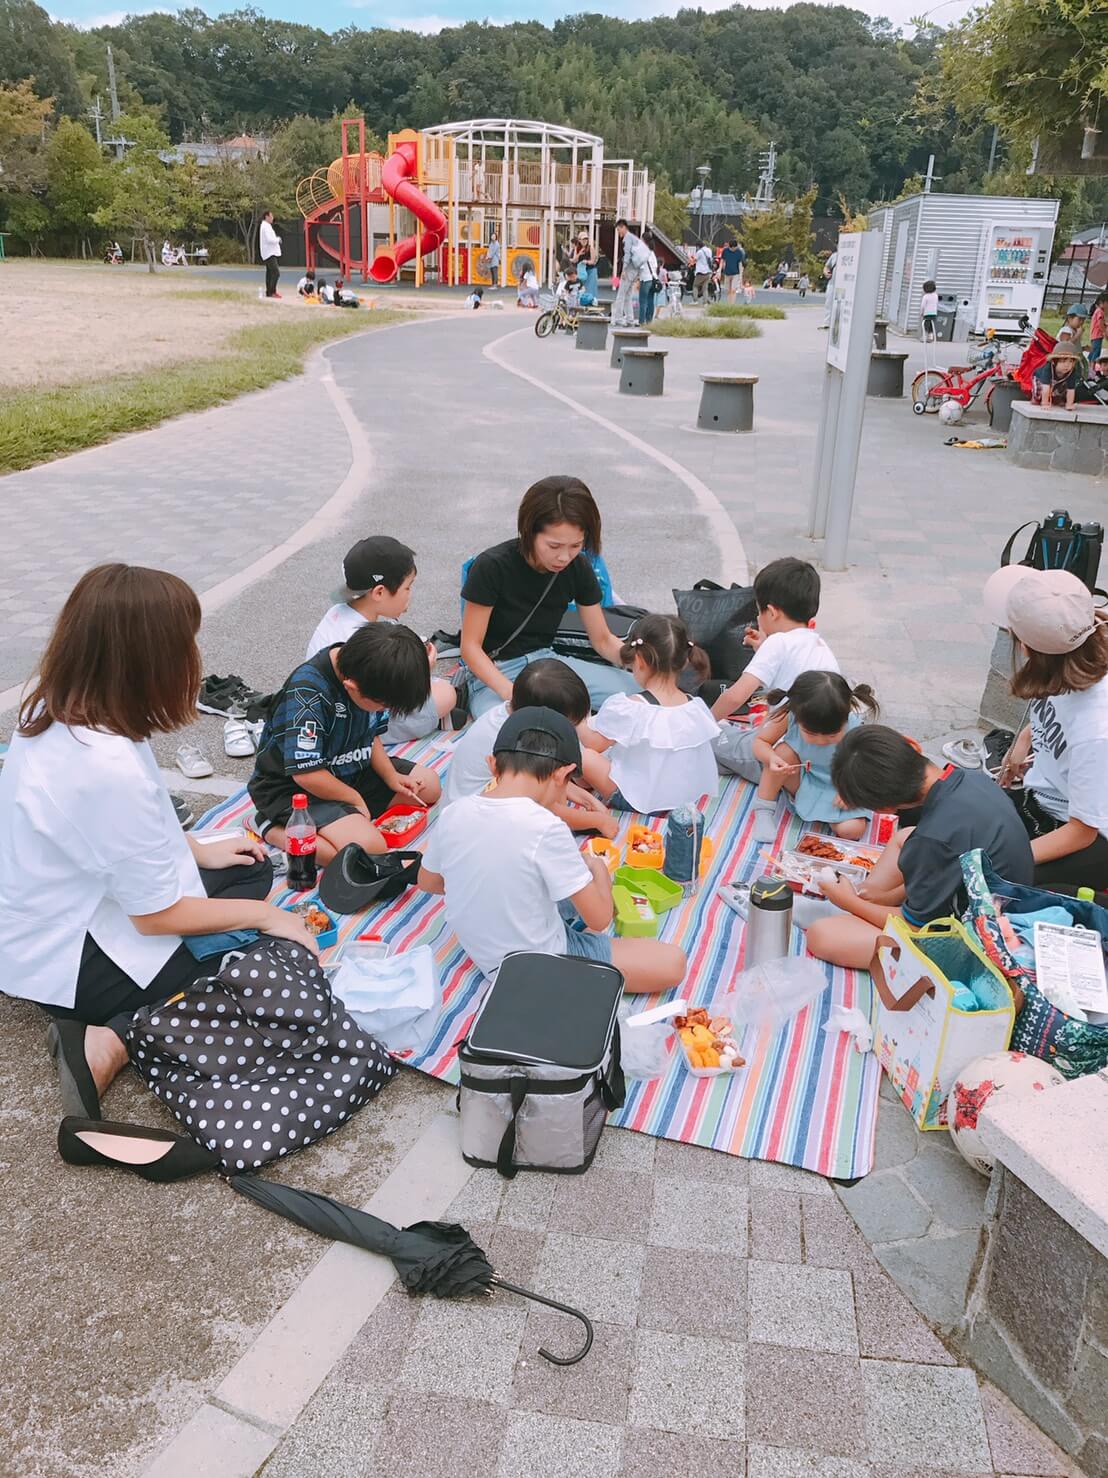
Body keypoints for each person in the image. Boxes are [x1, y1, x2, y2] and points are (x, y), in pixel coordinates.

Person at [0, 564, 316, 1114]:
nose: (194, 656)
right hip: (74, 952)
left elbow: (104, 840)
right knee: (268, 964)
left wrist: (196, 849)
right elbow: (155, 916)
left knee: (251, 868)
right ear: (148, 659)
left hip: (50, 913)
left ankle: (109, 1014)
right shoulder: (105, 765)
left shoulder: (58, 703)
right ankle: (110, 1037)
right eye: (186, 642)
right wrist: (266, 920)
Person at [419, 708, 686, 994]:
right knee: (673, 962)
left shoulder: (454, 812)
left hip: (485, 954)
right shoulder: (545, 827)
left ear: (492, 765)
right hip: (543, 964)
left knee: (548, 886)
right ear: (565, 774)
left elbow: (429, 881)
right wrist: (598, 871)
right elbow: (600, 919)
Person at [803, 727, 1034, 969]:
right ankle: (865, 908)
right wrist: (885, 898)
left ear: (886, 810)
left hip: (982, 939)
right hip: (1003, 897)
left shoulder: (934, 839)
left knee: (821, 935)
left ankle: (855, 912)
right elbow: (944, 868)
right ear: (913, 744)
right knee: (905, 837)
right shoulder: (970, 778)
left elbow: (915, 925)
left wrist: (847, 902)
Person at [249, 623, 441, 865]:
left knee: (429, 787)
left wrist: (391, 776)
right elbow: (306, 775)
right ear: (352, 687)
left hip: (350, 771)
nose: (386, 711)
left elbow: (372, 736)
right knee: (368, 851)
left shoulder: (371, 672)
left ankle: (347, 819)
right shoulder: (307, 693)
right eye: (383, 706)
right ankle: (268, 826)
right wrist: (354, 800)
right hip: (296, 789)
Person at [461, 477, 638, 718]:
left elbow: (603, 640)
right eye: (554, 546)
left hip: (548, 664)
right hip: (494, 674)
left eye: (576, 545)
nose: (564, 557)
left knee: (644, 693)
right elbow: (470, 647)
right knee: (514, 729)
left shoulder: (578, 567)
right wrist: (511, 693)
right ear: (529, 531)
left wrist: (643, 663)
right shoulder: (491, 566)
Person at [985, 566, 1108, 892]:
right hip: (1042, 799)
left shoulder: (1096, 728)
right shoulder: (1073, 655)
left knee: (986, 882)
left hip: (1084, 835)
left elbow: (1083, 832)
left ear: (1026, 646)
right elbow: (1053, 710)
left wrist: (1006, 857)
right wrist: (1024, 740)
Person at [305, 535, 458, 741]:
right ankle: (430, 720)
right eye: (407, 587)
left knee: (437, 687)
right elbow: (377, 700)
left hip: (337, 707)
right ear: (378, 592)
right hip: (353, 723)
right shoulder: (358, 635)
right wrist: (421, 673)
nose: (409, 594)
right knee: (447, 693)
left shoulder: (341, 611)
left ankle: (430, 716)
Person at [443, 657, 616, 836]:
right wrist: (598, 821)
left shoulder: (513, 720)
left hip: (464, 815)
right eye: (568, 726)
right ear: (543, 718)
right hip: (476, 827)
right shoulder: (521, 743)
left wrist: (586, 799)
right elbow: (544, 807)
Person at [711, 557, 840, 780]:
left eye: (759, 612)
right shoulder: (819, 644)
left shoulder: (777, 643)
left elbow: (735, 697)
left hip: (778, 756)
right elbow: (790, 664)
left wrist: (705, 721)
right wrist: (762, 646)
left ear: (772, 612)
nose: (758, 618)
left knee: (714, 740)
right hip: (817, 755)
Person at [585, 614, 718, 815]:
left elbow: (593, 744)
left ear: (639, 660)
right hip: (683, 799)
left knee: (584, 755)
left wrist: (575, 720)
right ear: (683, 662)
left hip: (637, 799)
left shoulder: (632, 707)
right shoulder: (695, 706)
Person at [750, 671, 877, 843]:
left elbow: (867, 768)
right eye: (811, 733)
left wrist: (852, 792)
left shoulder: (855, 728)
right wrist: (771, 758)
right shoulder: (790, 716)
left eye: (832, 735)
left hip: (839, 787)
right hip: (804, 780)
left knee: (852, 830)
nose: (821, 741)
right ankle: (763, 810)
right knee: (782, 752)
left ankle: (828, 815)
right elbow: (761, 742)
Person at [612, 220, 649, 327]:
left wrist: (623, 270)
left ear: (623, 227)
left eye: (619, 230)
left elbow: (627, 255)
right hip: (636, 269)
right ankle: (630, 318)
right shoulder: (635, 239)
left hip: (629, 269)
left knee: (621, 295)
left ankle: (618, 318)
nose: (619, 233)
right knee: (628, 295)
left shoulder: (628, 238)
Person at [1032, 342, 1082, 409]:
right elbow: (1046, 387)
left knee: (1062, 389)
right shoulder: (1048, 368)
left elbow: (1071, 389)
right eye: (1063, 361)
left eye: (1071, 362)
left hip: (1059, 381)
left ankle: (1056, 398)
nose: (1067, 365)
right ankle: (1037, 398)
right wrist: (1045, 403)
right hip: (1041, 380)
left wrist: (1069, 404)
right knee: (1040, 390)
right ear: (1054, 361)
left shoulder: (1072, 371)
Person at [572, 230, 599, 306]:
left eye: (586, 239)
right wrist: (579, 253)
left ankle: (592, 303)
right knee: (581, 288)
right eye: (583, 239)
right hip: (581, 272)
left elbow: (593, 261)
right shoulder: (577, 248)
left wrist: (586, 262)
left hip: (590, 271)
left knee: (590, 288)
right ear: (579, 240)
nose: (584, 241)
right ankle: (582, 303)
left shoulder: (590, 248)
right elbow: (574, 260)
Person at [260, 209, 282, 300]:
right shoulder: (265, 226)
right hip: (269, 253)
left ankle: (269, 292)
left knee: (269, 273)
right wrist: (278, 239)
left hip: (268, 252)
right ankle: (272, 291)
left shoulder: (265, 226)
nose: (272, 218)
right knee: (276, 272)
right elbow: (269, 239)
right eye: (271, 216)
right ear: (267, 216)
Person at [1088, 291, 1106, 365]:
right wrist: (1104, 332)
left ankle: (1090, 369)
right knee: (1096, 353)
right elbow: (1100, 323)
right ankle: (1092, 370)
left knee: (1093, 352)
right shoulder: (1100, 311)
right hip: (1097, 336)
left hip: (1094, 336)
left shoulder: (1097, 311)